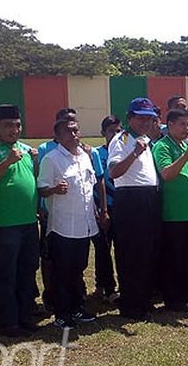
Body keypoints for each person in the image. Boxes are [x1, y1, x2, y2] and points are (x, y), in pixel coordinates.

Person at [0, 104, 40, 338]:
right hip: (4, 224)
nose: (14, 130)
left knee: (27, 271)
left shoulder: (24, 149)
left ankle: (25, 316)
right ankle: (6, 321)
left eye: (17, 125)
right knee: (5, 274)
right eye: (8, 126)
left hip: (29, 223)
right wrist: (7, 162)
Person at [38, 119, 99, 329]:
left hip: (84, 224)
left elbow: (89, 187)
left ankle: (77, 308)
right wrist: (54, 189)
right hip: (63, 226)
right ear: (58, 136)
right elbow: (42, 189)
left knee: (78, 269)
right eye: (68, 132)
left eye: (76, 130)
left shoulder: (85, 156)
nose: (74, 135)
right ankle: (62, 314)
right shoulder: (51, 159)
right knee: (61, 272)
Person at [108, 98, 162, 320]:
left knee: (147, 252)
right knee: (131, 254)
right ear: (130, 118)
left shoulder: (146, 140)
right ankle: (131, 304)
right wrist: (134, 153)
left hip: (149, 198)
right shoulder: (122, 140)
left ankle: (144, 299)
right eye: (140, 118)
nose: (145, 122)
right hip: (130, 200)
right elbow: (113, 172)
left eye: (149, 118)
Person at [152, 108, 188, 311]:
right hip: (173, 214)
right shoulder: (162, 146)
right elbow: (166, 174)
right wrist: (185, 156)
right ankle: (172, 299)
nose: (186, 128)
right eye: (182, 124)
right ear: (169, 125)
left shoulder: (185, 145)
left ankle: (184, 295)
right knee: (174, 258)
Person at [37, 107, 78, 312]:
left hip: (77, 217)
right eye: (67, 125)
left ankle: (74, 299)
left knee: (74, 261)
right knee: (51, 258)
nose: (73, 133)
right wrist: (39, 207)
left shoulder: (82, 153)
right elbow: (39, 182)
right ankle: (51, 296)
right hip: (51, 213)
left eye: (74, 126)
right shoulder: (46, 151)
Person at [91, 115, 122, 303]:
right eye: (111, 131)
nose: (115, 135)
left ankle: (117, 284)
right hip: (104, 208)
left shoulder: (124, 151)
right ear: (103, 133)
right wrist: (102, 210)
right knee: (103, 248)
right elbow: (97, 182)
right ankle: (106, 287)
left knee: (121, 249)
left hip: (122, 208)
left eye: (119, 131)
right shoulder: (97, 153)